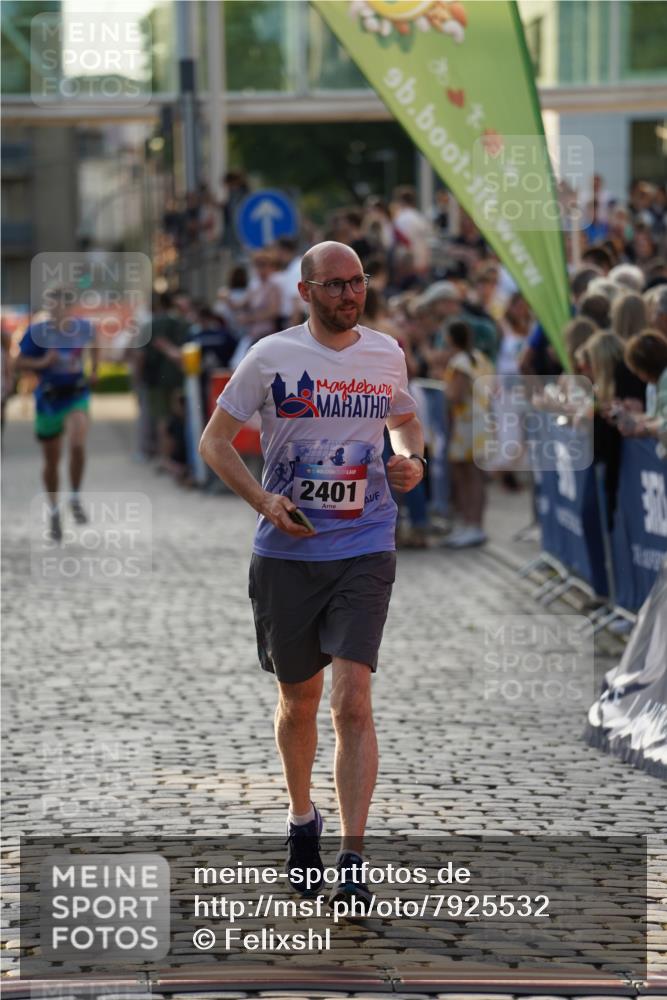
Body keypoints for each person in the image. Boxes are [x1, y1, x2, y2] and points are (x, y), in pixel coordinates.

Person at [199, 241, 425, 912]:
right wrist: (264, 500)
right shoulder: (270, 356)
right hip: (288, 552)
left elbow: (406, 423)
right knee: (299, 701)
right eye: (333, 285)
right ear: (305, 292)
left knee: (352, 702)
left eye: (356, 282)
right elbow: (214, 442)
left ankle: (353, 858)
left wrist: (410, 460)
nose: (348, 295)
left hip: (365, 544)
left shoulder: (386, 353)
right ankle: (303, 819)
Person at [16, 288, 97, 540]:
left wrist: (95, 369)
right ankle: (53, 510)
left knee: (77, 444)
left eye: (59, 307)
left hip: (76, 394)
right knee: (51, 461)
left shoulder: (83, 327)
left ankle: (74, 496)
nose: (55, 312)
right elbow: (18, 362)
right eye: (51, 307)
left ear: (70, 308)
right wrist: (42, 363)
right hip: (49, 400)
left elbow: (94, 343)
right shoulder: (37, 332)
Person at [443, 320, 493, 548]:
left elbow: (455, 395)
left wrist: (443, 390)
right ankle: (472, 524)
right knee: (472, 475)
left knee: (468, 475)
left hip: (467, 424)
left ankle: (472, 524)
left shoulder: (460, 362)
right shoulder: (479, 357)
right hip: (480, 421)